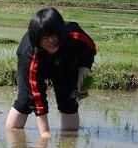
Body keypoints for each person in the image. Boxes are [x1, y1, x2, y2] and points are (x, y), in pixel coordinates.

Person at [5, 7, 96, 137]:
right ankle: (12, 139)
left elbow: (90, 49)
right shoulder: (30, 53)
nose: (51, 40)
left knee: (68, 100)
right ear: (37, 37)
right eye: (45, 36)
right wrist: (45, 133)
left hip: (65, 62)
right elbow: (37, 95)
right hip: (36, 64)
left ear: (62, 32)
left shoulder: (75, 36)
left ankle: (70, 139)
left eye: (55, 34)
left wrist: (85, 69)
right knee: (25, 100)